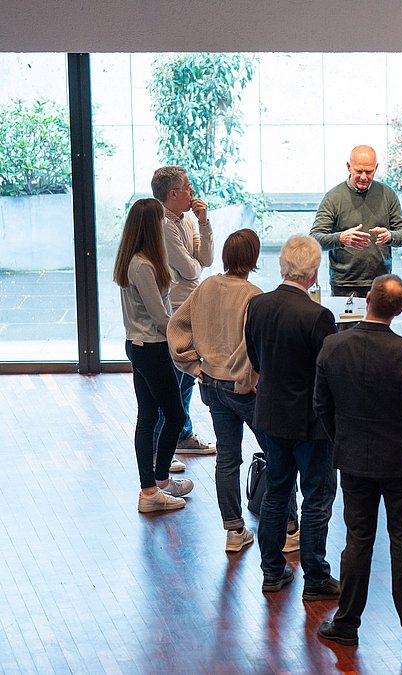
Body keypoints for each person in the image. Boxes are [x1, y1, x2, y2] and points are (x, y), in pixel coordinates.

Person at [313, 274, 402, 650]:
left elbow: (321, 406)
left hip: (353, 459)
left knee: (358, 540)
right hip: (401, 462)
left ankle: (346, 623)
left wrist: (342, 440)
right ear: (400, 310)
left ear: (367, 298)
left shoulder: (333, 347)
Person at [167, 229, 299, 553]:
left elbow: (176, 326)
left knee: (227, 457)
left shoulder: (207, 286)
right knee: (278, 453)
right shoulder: (254, 296)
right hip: (244, 390)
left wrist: (194, 364)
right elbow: (252, 348)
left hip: (210, 385)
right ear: (253, 258)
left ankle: (234, 532)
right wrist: (246, 378)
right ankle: (289, 528)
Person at [245, 235, 339, 599]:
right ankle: (315, 577)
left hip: (270, 415)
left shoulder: (258, 306)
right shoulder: (317, 316)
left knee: (276, 495)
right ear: (313, 273)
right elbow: (329, 372)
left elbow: (255, 358)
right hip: (311, 423)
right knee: (317, 498)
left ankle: (272, 570)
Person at [114, 198, 194, 513]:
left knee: (148, 416)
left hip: (140, 345)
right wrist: (188, 335)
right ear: (151, 226)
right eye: (161, 221)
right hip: (151, 347)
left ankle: (154, 487)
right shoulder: (143, 265)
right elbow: (161, 317)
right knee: (173, 416)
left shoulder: (136, 260)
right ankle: (155, 484)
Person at [151, 166, 216, 459]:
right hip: (175, 308)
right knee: (175, 377)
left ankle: (182, 434)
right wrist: (195, 263)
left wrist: (204, 223)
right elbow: (191, 269)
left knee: (188, 375)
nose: (192, 192)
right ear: (173, 193)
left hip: (193, 302)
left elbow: (205, 259)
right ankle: (162, 445)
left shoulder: (187, 220)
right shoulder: (163, 225)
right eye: (187, 187)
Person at [310, 145, 402, 297]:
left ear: (376, 168)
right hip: (344, 284)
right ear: (349, 167)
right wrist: (341, 238)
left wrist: (390, 236)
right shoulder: (334, 197)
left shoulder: (387, 194)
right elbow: (314, 239)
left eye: (369, 172)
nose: (364, 177)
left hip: (381, 282)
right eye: (359, 171)